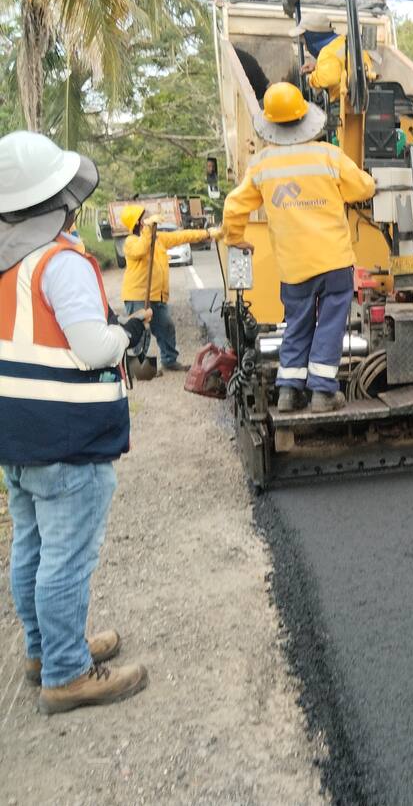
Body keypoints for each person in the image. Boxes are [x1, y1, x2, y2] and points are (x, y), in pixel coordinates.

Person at [0, 131, 150, 714]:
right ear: (59, 199)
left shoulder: (8, 262)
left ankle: (45, 651)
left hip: (16, 436)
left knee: (32, 547)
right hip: (65, 437)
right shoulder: (60, 263)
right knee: (66, 557)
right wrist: (126, 333)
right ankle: (67, 674)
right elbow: (91, 348)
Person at [222, 82, 376, 414]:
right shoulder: (328, 155)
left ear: (270, 124)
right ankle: (322, 392)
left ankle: (289, 391)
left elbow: (233, 206)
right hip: (334, 262)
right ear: (305, 119)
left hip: (293, 267)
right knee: (330, 325)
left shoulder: (262, 165)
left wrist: (235, 238)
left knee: (297, 324)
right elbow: (363, 188)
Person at [119, 204, 220, 371]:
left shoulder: (158, 239)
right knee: (138, 331)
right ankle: (139, 367)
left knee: (166, 327)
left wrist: (207, 233)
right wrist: (148, 230)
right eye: (145, 216)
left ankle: (169, 360)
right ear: (138, 222)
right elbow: (141, 249)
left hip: (157, 296)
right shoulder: (131, 241)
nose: (149, 217)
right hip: (138, 296)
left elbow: (181, 236)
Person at [290, 14, 375, 100]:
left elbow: (328, 79)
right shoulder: (344, 41)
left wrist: (309, 79)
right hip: (361, 96)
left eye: (305, 43)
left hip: (344, 102)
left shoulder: (327, 53)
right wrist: (317, 67)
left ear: (312, 37)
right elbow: (341, 65)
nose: (306, 48)